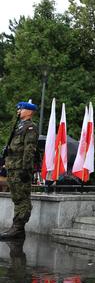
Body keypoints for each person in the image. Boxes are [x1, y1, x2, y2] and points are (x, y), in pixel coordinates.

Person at [0, 101, 38, 240]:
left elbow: (29, 150)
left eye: (21, 109)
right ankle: (16, 228)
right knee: (17, 198)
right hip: (13, 167)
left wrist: (25, 169)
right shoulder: (19, 126)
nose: (18, 111)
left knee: (22, 199)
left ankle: (18, 228)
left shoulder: (30, 128)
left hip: (20, 168)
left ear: (29, 111)